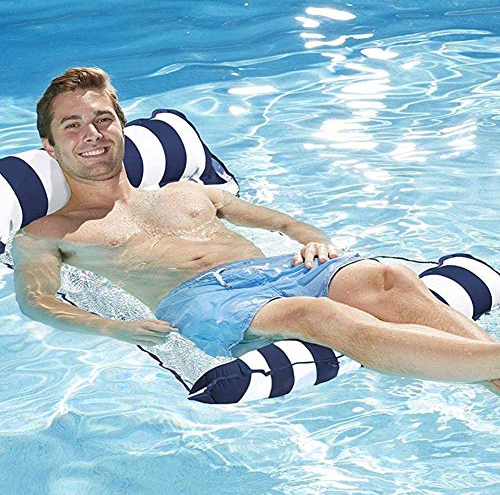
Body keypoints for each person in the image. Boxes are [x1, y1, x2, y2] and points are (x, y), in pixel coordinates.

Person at [11, 67, 500, 393]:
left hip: (279, 270)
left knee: (390, 277)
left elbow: (283, 222)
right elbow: (37, 300)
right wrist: (112, 327)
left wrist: (313, 240)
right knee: (317, 313)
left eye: (102, 119)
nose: (92, 135)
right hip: (203, 301)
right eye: (72, 126)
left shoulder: (186, 191)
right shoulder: (48, 231)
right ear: (50, 147)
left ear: (121, 125)